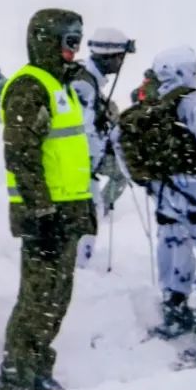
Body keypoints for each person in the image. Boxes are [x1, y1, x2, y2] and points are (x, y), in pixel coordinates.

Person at [0, 9, 95, 390]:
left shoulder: (60, 86)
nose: (75, 50)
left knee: (56, 298)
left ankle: (37, 368)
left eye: (78, 42)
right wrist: (41, 210)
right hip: (46, 216)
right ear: (46, 41)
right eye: (69, 41)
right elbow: (21, 155)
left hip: (67, 211)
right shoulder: (31, 86)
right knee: (38, 299)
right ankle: (16, 377)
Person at [114, 46, 196, 346]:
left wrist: (143, 179)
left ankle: (174, 307)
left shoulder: (146, 103)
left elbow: (118, 140)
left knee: (173, 242)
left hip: (163, 188)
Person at [70, 28, 134, 266]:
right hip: (80, 166)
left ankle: (80, 260)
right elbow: (79, 129)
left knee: (121, 174)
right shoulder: (84, 84)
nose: (121, 63)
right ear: (109, 56)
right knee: (87, 216)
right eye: (120, 57)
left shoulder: (91, 81)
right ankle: (79, 266)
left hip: (87, 162)